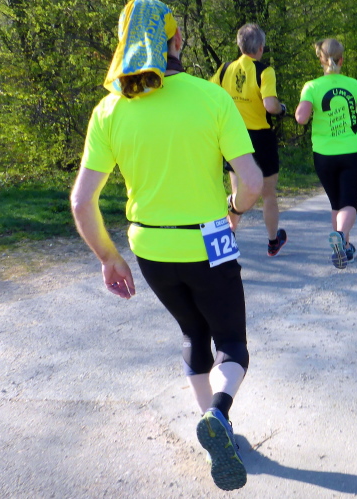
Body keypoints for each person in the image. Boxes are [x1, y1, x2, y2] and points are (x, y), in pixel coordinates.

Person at [70, 0, 263, 491]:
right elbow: (251, 182)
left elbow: (81, 201)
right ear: (177, 41)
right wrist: (235, 210)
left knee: (193, 333)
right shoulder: (210, 96)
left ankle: (213, 426)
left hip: (149, 247)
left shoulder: (109, 109)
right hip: (209, 239)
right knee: (232, 344)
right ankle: (219, 414)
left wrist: (109, 257)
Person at [211, 24, 288, 257]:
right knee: (268, 193)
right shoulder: (265, 71)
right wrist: (282, 109)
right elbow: (270, 105)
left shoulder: (224, 69)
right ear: (261, 47)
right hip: (260, 137)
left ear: (239, 45)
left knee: (238, 193)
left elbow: (211, 97)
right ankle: (273, 241)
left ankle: (228, 237)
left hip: (233, 135)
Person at [295, 39, 357, 269]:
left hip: (324, 154)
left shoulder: (311, 87)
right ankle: (340, 235)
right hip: (352, 151)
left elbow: (301, 118)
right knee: (349, 202)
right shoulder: (354, 85)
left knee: (336, 202)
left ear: (321, 60)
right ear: (341, 60)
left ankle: (344, 247)